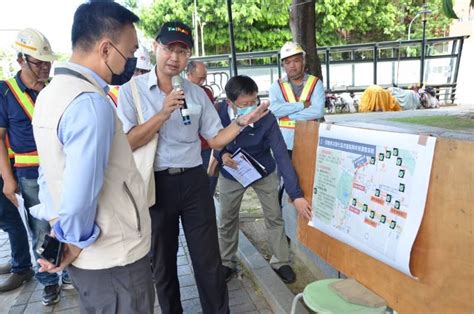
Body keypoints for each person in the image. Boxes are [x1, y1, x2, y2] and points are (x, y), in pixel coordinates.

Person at [117, 21, 268, 314]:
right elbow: (128, 142)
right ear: (156, 48)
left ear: (188, 57)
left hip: (194, 183)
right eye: (169, 48)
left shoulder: (197, 94)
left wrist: (240, 122)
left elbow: (214, 139)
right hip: (155, 185)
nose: (174, 57)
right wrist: (162, 113)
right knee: (163, 263)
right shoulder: (131, 91)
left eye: (182, 51)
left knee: (208, 260)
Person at [31, 2, 154, 312]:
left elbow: (49, 173)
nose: (131, 61)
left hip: (91, 262)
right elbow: (80, 191)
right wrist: (73, 240)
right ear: (105, 48)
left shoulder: (51, 94)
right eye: (130, 52)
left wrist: (61, 234)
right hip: (116, 257)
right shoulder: (89, 103)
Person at [214, 75, 312, 283]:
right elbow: (212, 140)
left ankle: (281, 261)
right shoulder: (219, 112)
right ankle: (226, 262)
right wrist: (221, 156)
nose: (252, 108)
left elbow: (281, 156)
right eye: (245, 104)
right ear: (230, 103)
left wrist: (296, 195)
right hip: (232, 172)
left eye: (254, 102)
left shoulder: (266, 118)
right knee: (227, 218)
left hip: (262, 171)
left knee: (274, 215)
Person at [0, 28, 66, 304]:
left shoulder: (54, 88)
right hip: (28, 173)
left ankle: (70, 270)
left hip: (60, 168)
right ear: (21, 61)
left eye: (47, 62)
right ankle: (48, 280)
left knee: (66, 220)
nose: (44, 67)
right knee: (39, 228)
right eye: (38, 62)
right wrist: (8, 179)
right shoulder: (6, 92)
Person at [269, 42, 325, 155]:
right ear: (283, 65)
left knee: (309, 173)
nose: (292, 66)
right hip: (284, 143)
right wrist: (302, 105)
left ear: (303, 61)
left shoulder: (315, 83)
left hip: (310, 141)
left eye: (296, 61)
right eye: (287, 62)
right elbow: (274, 111)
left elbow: (318, 111)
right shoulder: (276, 86)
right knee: (286, 173)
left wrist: (288, 115)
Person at [186, 60, 218, 195]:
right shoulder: (180, 92)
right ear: (189, 75)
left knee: (209, 181)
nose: (203, 81)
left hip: (207, 146)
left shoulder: (206, 92)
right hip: (190, 147)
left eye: (205, 77)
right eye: (200, 78)